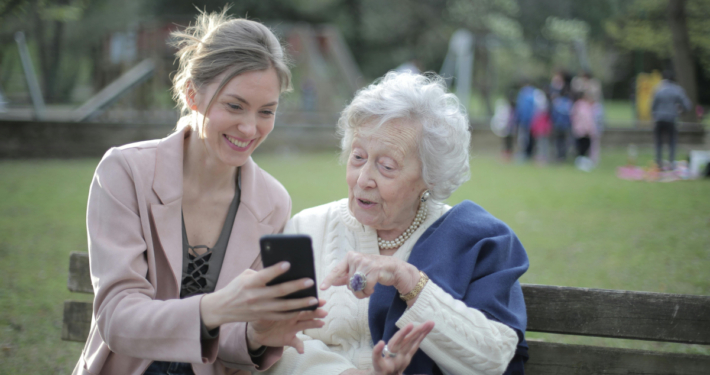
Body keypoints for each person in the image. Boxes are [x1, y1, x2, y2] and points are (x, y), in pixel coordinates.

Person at [73, 10, 327, 375]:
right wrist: (215, 308)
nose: (249, 127)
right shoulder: (125, 172)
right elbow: (117, 318)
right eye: (234, 105)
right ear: (193, 93)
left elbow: (230, 342)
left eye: (266, 111)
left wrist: (257, 334)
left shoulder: (272, 202)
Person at [264, 72, 529, 375]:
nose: (363, 180)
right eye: (358, 157)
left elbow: (495, 357)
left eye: (386, 166)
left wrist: (409, 280)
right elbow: (272, 340)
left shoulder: (476, 239)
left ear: (431, 177)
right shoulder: (307, 229)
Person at [651, 69, 692, 170]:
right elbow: (687, 105)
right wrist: (681, 111)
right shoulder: (677, 90)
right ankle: (671, 163)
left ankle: (658, 162)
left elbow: (653, 106)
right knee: (672, 141)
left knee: (659, 142)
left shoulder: (658, 89)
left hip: (659, 119)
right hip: (671, 119)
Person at [571, 92, 597, 171]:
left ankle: (582, 162)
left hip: (579, 130)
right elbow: (586, 119)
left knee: (581, 147)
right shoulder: (583, 106)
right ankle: (582, 163)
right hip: (584, 130)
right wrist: (588, 129)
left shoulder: (576, 105)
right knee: (584, 147)